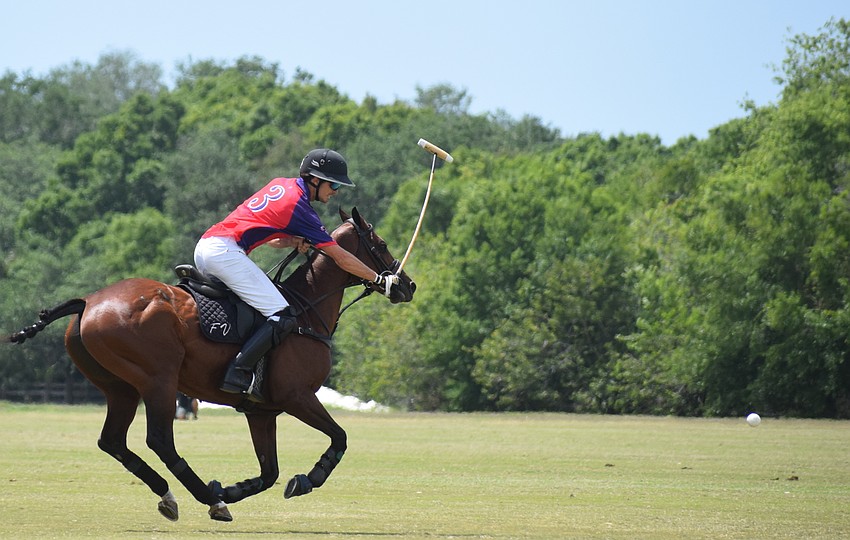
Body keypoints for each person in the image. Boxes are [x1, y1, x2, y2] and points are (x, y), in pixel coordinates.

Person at [194, 148, 398, 400]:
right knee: (282, 315)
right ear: (315, 179)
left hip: (206, 246)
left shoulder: (280, 185)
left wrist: (290, 241)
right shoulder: (300, 207)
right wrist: (378, 278)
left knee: (257, 308)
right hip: (225, 252)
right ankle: (237, 372)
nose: (336, 191)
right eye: (333, 184)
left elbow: (270, 238)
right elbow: (339, 256)